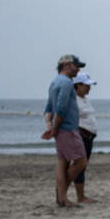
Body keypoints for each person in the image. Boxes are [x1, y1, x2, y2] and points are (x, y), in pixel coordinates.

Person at [40, 53, 88, 207]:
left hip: (60, 128)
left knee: (63, 162)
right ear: (67, 65)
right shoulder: (67, 82)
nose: (78, 70)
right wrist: (54, 127)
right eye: (76, 66)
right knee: (81, 161)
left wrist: (49, 124)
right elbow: (60, 107)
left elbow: (48, 107)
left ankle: (61, 197)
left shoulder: (54, 82)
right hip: (67, 128)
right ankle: (62, 194)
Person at [71, 72, 100, 203]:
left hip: (88, 136)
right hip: (81, 135)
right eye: (87, 85)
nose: (89, 88)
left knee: (83, 165)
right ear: (78, 85)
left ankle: (81, 195)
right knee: (80, 165)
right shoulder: (73, 99)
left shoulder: (84, 98)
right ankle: (80, 196)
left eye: (90, 85)